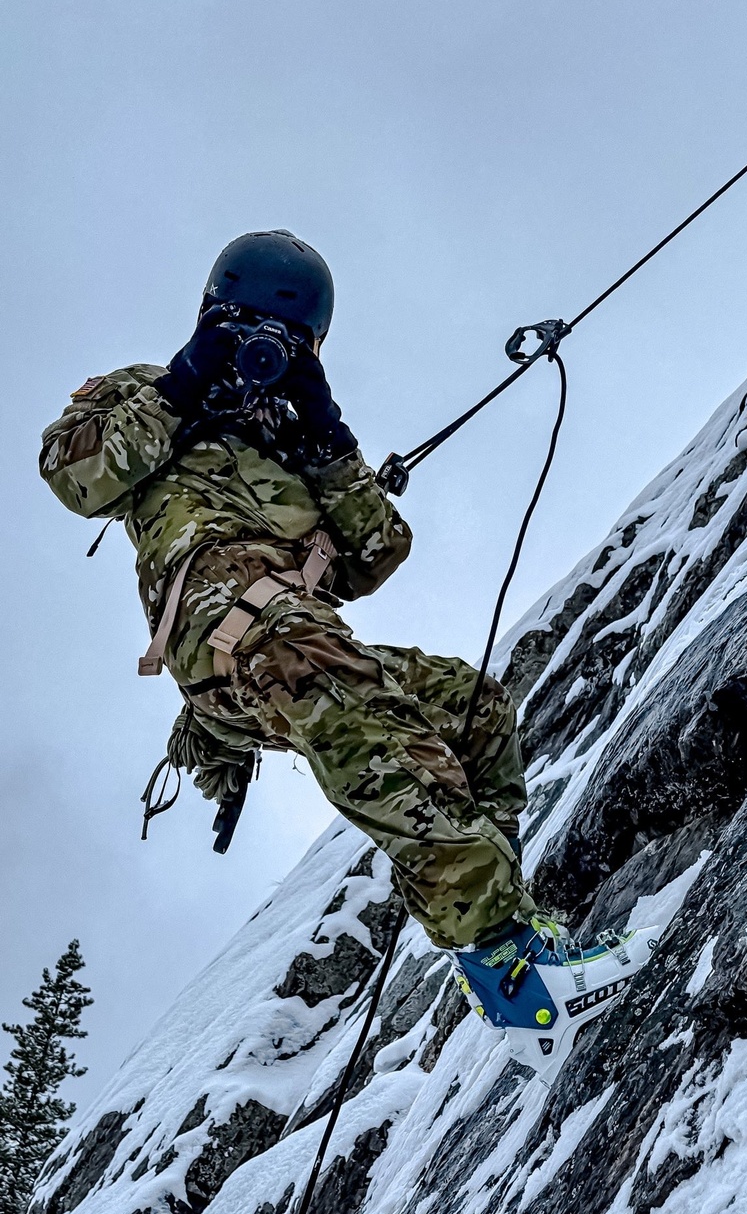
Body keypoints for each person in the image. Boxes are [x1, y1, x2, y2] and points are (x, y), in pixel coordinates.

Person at [40, 230, 659, 1079]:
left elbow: (375, 554)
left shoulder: (296, 428)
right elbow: (74, 474)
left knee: (472, 708)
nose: (262, 357)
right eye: (244, 332)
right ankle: (514, 970)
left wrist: (323, 436)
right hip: (225, 620)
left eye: (283, 344)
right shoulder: (142, 393)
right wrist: (190, 381)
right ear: (211, 319)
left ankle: (504, 916)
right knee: (332, 684)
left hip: (299, 632)